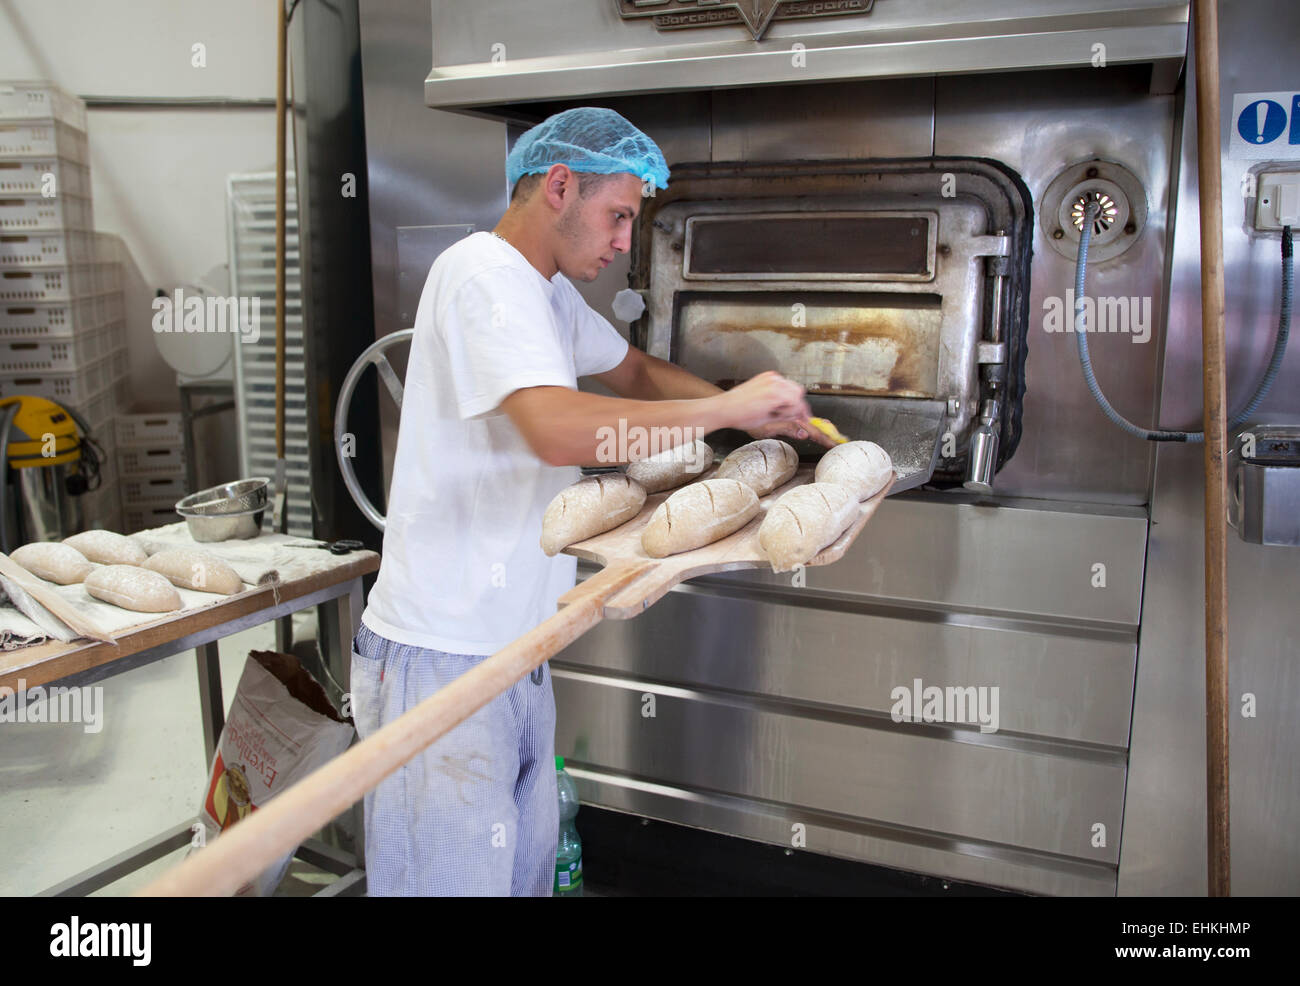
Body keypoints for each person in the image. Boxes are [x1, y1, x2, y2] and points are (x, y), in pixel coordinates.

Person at [351, 106, 829, 896]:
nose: (620, 242)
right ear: (560, 186)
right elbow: (557, 432)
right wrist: (721, 413)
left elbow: (635, 375)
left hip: (514, 647)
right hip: (443, 655)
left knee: (522, 877)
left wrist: (751, 411)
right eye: (617, 217)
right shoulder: (486, 278)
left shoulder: (544, 293)